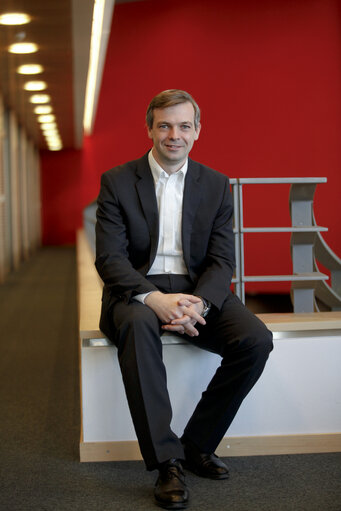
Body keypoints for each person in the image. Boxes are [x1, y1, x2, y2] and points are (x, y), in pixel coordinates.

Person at [95, 89, 273, 509]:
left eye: (184, 126)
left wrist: (199, 304)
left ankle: (196, 445)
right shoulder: (118, 181)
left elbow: (221, 259)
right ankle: (166, 463)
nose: (174, 134)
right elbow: (109, 259)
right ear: (150, 129)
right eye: (165, 125)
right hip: (135, 288)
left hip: (196, 288)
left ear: (197, 131)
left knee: (255, 340)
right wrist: (154, 298)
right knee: (138, 326)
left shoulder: (214, 184)